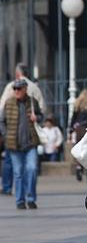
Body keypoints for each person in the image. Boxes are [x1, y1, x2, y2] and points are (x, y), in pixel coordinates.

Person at [3, 79, 43, 210]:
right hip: (14, 145)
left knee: (32, 169)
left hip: (31, 143)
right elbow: (1, 121)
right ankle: (20, 201)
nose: (16, 91)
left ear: (25, 89)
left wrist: (37, 118)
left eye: (19, 89)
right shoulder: (8, 103)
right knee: (18, 173)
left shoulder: (32, 102)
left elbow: (41, 116)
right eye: (14, 88)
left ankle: (31, 198)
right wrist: (5, 135)